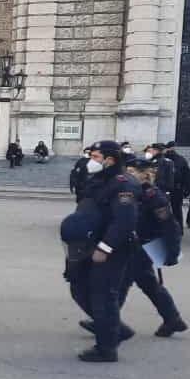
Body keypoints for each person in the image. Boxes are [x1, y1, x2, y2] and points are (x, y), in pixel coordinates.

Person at [66, 140, 139, 363]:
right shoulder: (98, 180)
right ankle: (115, 328)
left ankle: (106, 348)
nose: (92, 161)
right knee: (79, 288)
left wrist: (105, 248)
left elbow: (124, 221)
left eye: (96, 157)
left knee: (103, 296)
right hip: (87, 245)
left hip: (109, 249)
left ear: (110, 159)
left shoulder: (124, 183)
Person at [116, 158, 188, 337]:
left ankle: (106, 321)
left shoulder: (153, 196)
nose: (127, 174)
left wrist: (172, 251)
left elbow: (169, 225)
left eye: (132, 172)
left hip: (142, 247)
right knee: (149, 284)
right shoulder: (129, 191)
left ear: (145, 174)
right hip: (131, 244)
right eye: (127, 171)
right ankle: (173, 319)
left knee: (120, 283)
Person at [163, 141, 190, 227]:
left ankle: (178, 228)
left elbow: (187, 175)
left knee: (177, 210)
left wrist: (187, 189)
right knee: (163, 210)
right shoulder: (162, 159)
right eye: (170, 147)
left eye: (173, 147)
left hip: (177, 188)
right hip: (163, 188)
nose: (172, 149)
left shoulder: (180, 159)